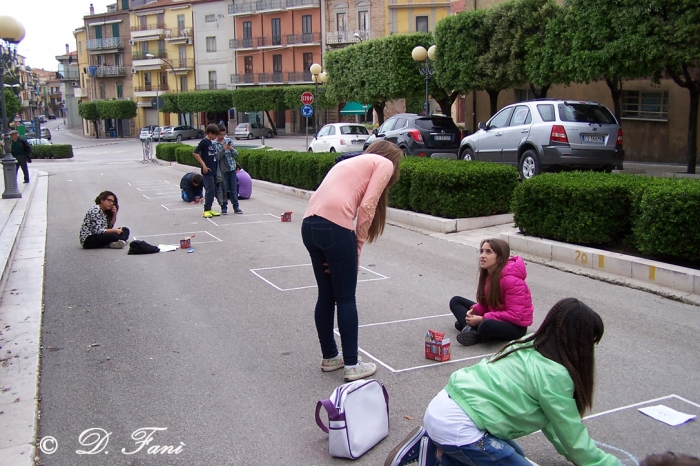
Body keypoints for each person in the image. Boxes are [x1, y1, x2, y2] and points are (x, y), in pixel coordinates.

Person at [386, 298, 620, 466]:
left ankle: (433, 447)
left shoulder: (529, 343)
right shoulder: (556, 374)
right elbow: (572, 434)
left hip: (446, 406)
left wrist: (573, 454)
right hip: (461, 427)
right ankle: (435, 453)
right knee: (493, 456)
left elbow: (554, 424)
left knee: (508, 454)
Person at [301, 140, 402, 382]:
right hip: (335, 228)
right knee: (345, 297)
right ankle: (352, 365)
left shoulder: (350, 161)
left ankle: (330, 357)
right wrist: (355, 248)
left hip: (309, 226)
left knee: (326, 295)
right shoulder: (385, 163)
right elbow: (368, 206)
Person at [450, 238, 533, 346]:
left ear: (499, 258)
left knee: (486, 325)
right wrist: (475, 310)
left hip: (515, 325)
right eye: (482, 251)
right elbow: (488, 304)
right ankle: (470, 327)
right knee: (455, 301)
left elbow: (514, 315)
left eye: (488, 252)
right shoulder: (489, 274)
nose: (482, 256)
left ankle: (476, 334)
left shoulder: (512, 281)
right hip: (496, 313)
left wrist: (482, 318)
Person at [192, 124, 225, 218]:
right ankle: (206, 209)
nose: (215, 137)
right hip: (207, 171)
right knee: (209, 190)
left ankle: (209, 208)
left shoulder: (211, 142)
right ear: (210, 133)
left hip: (214, 170)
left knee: (213, 190)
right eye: (214, 135)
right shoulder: (204, 142)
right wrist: (204, 165)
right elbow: (195, 153)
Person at [214, 124, 242, 214]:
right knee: (224, 189)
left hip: (232, 167)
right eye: (220, 135)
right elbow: (217, 157)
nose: (222, 137)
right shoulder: (214, 144)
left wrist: (231, 149)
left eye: (223, 134)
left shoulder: (229, 140)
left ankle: (236, 206)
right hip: (222, 170)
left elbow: (236, 154)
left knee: (233, 189)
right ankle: (224, 206)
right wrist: (223, 150)